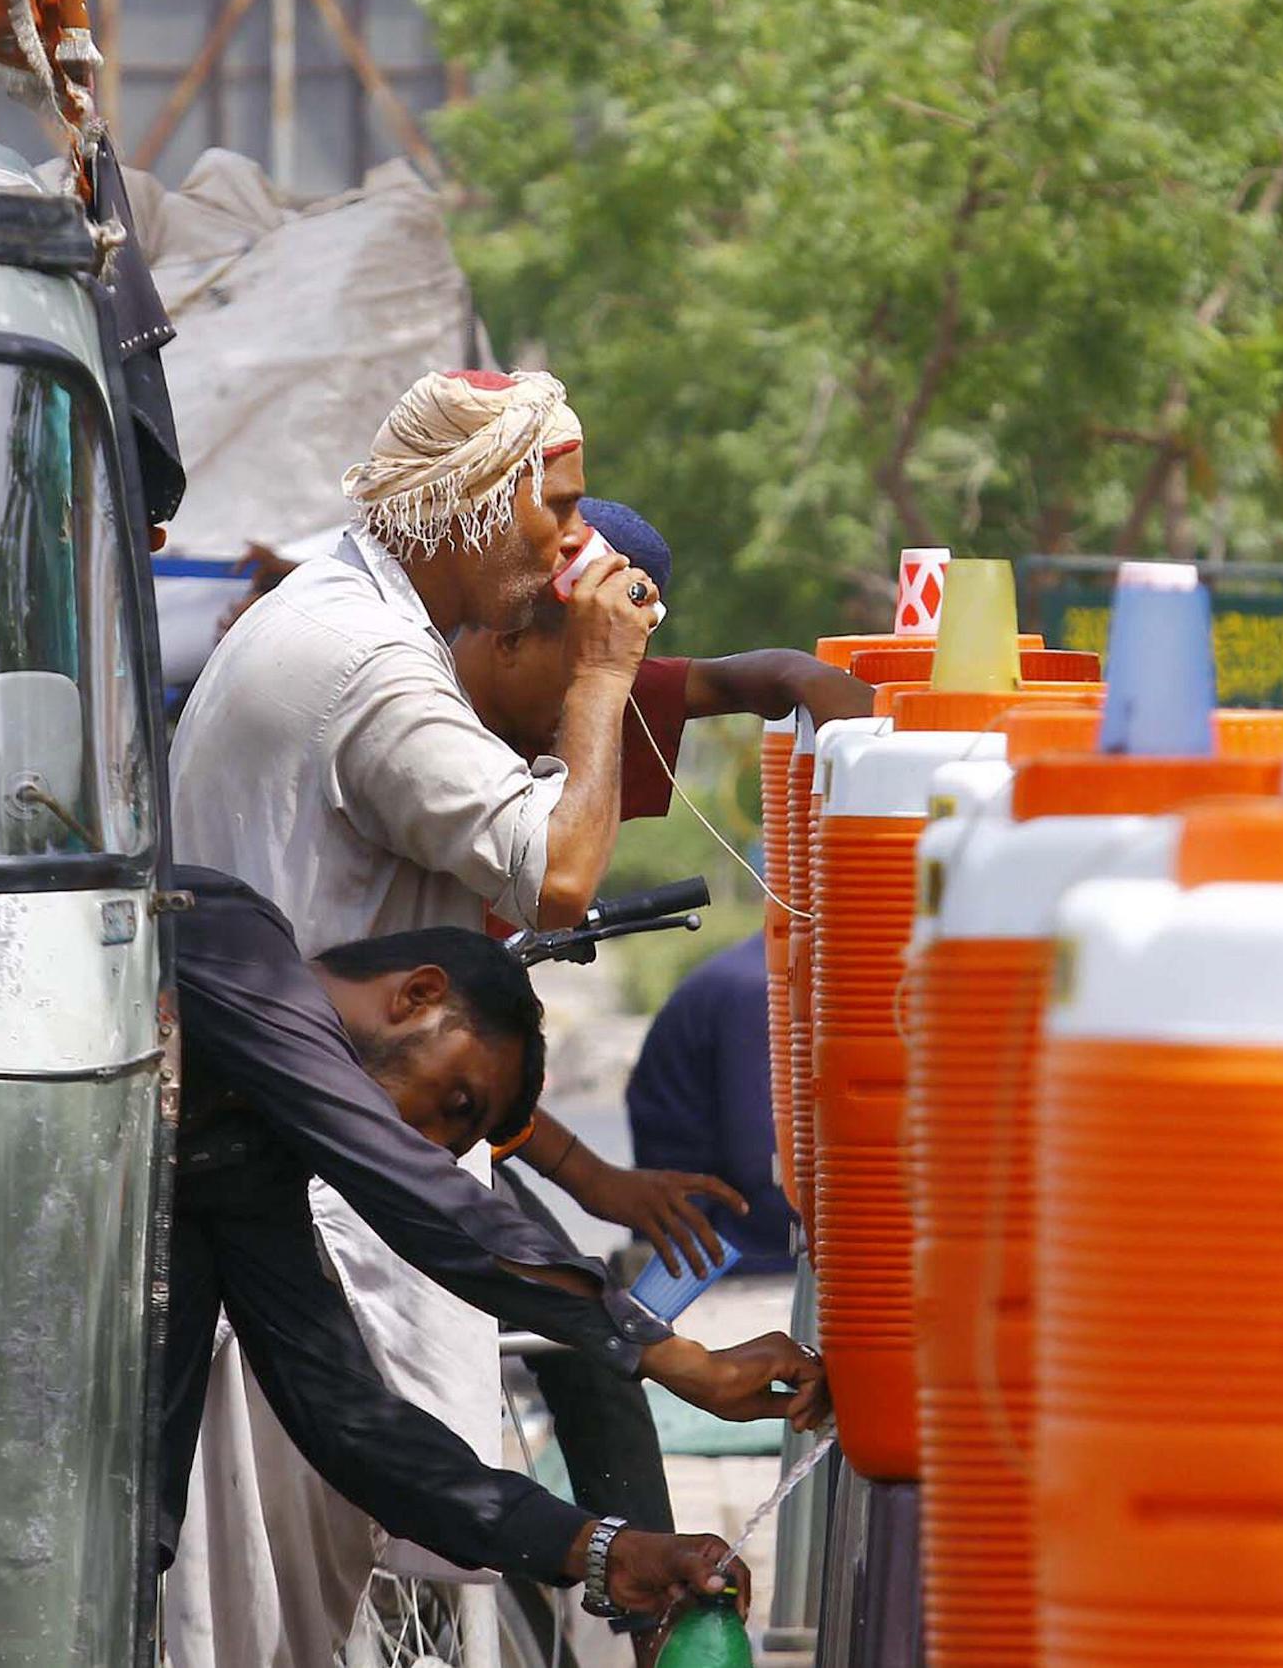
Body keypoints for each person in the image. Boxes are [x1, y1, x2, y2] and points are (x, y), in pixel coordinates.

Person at [166, 371, 823, 1663]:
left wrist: (755, 679)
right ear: (474, 501)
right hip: (328, 1213)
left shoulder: (355, 627)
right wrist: (602, 669)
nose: (568, 548)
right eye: (559, 510)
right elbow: (558, 868)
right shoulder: (364, 663)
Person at [159, 868, 824, 1662]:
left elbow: (360, 1433)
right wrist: (677, 1358)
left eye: (459, 1138)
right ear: (417, 997)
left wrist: (605, 1549)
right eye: (457, 1106)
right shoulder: (222, 938)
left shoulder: (248, 1166)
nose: (433, 1143)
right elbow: (423, 1197)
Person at [450, 497, 876, 822]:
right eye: (593, 670)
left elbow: (737, 679)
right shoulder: (425, 717)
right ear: (511, 637)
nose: (600, 698)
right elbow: (562, 886)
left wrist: (803, 675)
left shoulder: (553, 683)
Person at [625, 931, 796, 1274]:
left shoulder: (758, 970)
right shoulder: (759, 990)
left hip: (710, 1237)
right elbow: (766, 1164)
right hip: (719, 1249)